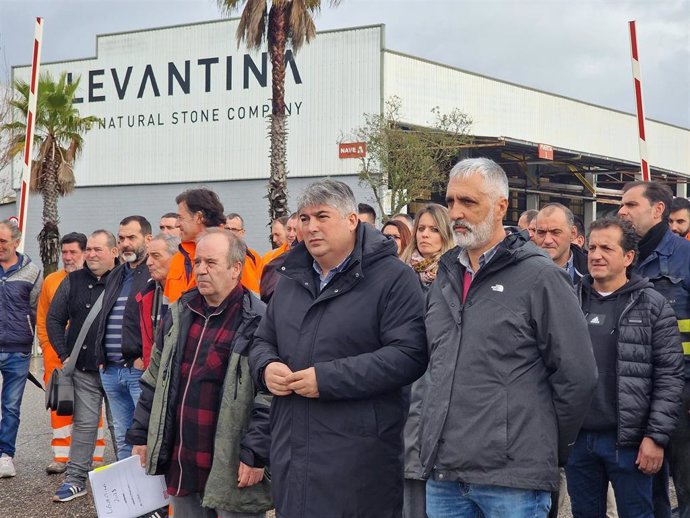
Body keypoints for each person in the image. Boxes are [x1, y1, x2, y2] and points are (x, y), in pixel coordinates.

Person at [420, 158, 597, 518]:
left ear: (502, 205)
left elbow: (577, 376)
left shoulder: (539, 276)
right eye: (451, 201)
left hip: (512, 479)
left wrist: (543, 446)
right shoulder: (446, 275)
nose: (455, 212)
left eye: (468, 202)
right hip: (445, 475)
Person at [250, 179, 428, 517]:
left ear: (351, 220)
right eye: (304, 219)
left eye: (322, 217)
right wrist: (265, 367)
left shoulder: (393, 278)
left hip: (359, 460)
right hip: (293, 453)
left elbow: (409, 355)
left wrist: (327, 379)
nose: (311, 227)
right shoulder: (290, 279)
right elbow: (262, 340)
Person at [127, 228, 272, 518]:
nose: (201, 271)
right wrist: (141, 435)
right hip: (182, 459)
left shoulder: (260, 319)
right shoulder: (180, 312)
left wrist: (256, 454)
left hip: (231, 464)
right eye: (198, 262)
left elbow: (268, 395)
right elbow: (155, 379)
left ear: (235, 269)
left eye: (211, 263)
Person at [566, 217, 684, 518]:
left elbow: (670, 377)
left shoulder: (652, 305)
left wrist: (655, 438)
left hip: (629, 443)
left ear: (628, 257)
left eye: (607, 248)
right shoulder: (568, 301)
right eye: (592, 247)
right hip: (578, 442)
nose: (596, 255)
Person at [618, 181, 690, 518]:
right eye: (622, 204)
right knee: (648, 491)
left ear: (658, 210)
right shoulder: (624, 259)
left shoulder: (685, 257)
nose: (622, 211)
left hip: (682, 393)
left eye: (631, 205)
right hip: (635, 393)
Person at [47, 230, 118, 501]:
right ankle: (75, 480)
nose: (91, 254)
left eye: (98, 249)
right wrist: (65, 355)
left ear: (113, 252)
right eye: (88, 249)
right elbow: (54, 319)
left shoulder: (125, 279)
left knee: (121, 428)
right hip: (84, 370)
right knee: (85, 426)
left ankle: (135, 486)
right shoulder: (72, 281)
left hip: (117, 369)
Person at [36, 233, 107, 474]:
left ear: (84, 253)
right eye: (64, 253)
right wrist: (48, 347)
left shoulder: (100, 279)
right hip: (58, 357)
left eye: (73, 252)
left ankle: (95, 455)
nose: (67, 257)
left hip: (87, 358)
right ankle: (61, 455)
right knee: (60, 406)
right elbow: (45, 318)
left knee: (91, 407)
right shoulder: (52, 280)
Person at [94, 216, 152, 461]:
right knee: (121, 434)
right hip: (110, 369)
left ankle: (153, 497)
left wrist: (144, 358)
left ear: (147, 240)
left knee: (145, 438)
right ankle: (130, 497)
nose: (126, 244)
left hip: (137, 370)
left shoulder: (153, 274)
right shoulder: (116, 274)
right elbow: (104, 316)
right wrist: (100, 356)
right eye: (122, 238)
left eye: (132, 237)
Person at [0, 220, 42, 479]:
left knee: (11, 406)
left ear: (16, 242)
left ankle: (5, 455)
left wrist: (30, 336)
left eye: (3, 241)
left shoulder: (32, 271)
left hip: (18, 350)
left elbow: (36, 308)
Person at [165, 188, 226, 303]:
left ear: (198, 217)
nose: (177, 224)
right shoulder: (177, 260)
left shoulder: (234, 255)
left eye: (181, 218)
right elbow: (168, 309)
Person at [134, 233, 179, 369]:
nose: (148, 262)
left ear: (176, 257)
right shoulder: (148, 294)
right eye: (148, 256)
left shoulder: (190, 294)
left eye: (156, 256)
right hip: (155, 376)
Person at [400, 204, 455, 287]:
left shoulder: (455, 273)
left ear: (447, 234)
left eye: (434, 230)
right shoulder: (400, 268)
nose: (425, 234)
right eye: (421, 229)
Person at [535, 203, 588, 285]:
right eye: (541, 232)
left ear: (573, 233)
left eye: (555, 232)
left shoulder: (592, 272)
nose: (547, 240)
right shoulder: (521, 271)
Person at [259, 213, 301, 303]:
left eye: (295, 230)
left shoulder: (315, 259)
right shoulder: (270, 259)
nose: (291, 234)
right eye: (289, 229)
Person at [225, 213, 263, 295]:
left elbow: (261, 282)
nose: (230, 233)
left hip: (252, 301)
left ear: (242, 232)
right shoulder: (218, 256)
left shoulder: (253, 256)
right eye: (227, 229)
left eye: (234, 230)